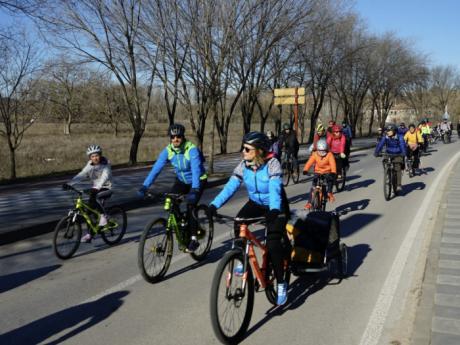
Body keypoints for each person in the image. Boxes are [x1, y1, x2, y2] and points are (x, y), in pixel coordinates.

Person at [207, 132, 290, 305]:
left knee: (273, 244)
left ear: (258, 151)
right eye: (242, 147)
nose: (242, 151)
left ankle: (281, 282)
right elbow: (230, 186)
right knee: (239, 222)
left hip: (276, 205)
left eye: (246, 149)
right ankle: (241, 259)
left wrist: (275, 210)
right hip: (256, 203)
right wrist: (214, 205)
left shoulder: (272, 164)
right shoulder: (243, 165)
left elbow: (275, 189)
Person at [138, 123, 208, 252]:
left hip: (198, 180)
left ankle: (193, 239)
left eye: (178, 137)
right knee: (170, 201)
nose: (175, 139)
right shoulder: (168, 150)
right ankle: (182, 224)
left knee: (191, 205)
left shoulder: (191, 149)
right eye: (173, 137)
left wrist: (195, 189)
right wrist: (145, 186)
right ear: (170, 138)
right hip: (181, 181)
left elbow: (196, 170)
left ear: (183, 137)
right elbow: (156, 169)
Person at [63, 145, 113, 243]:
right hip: (96, 188)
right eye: (92, 156)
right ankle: (90, 234)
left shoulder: (106, 163)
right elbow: (82, 174)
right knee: (88, 213)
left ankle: (104, 216)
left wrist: (96, 187)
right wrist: (69, 183)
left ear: (100, 155)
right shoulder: (89, 165)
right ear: (90, 157)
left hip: (107, 187)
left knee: (95, 196)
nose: (95, 158)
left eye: (97, 155)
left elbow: (105, 177)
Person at [303, 139, 336, 209]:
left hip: (327, 172)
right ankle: (309, 203)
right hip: (317, 172)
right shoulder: (315, 154)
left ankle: (330, 193)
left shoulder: (329, 155)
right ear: (317, 149)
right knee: (313, 187)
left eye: (323, 150)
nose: (321, 152)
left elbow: (333, 164)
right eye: (320, 150)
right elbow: (309, 162)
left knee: (330, 181)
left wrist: (333, 172)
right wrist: (305, 170)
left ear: (326, 149)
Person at [374, 124, 407, 192]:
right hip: (388, 153)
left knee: (397, 167)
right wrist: (376, 152)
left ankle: (398, 185)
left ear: (394, 131)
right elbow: (380, 144)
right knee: (384, 161)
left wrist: (403, 153)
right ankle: (388, 172)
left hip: (398, 154)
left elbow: (402, 145)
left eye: (389, 131)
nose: (387, 132)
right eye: (387, 130)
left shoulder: (399, 137)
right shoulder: (386, 137)